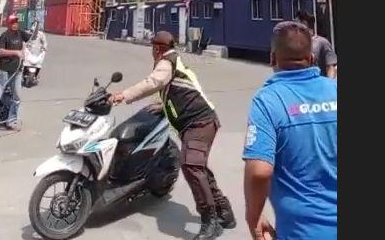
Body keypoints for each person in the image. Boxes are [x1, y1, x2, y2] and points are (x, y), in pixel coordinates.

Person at [109, 31, 235, 240]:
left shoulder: (166, 63)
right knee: (198, 168)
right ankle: (225, 213)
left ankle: (210, 221)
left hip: (199, 123)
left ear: (157, 48)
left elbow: (152, 83)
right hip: (202, 122)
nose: (152, 51)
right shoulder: (176, 62)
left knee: (192, 166)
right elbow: (185, 89)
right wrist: (164, 105)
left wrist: (122, 95)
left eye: (153, 48)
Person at [243, 21, 337, 240]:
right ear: (312, 58)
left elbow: (259, 171)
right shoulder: (335, 88)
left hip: (305, 232)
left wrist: (253, 216)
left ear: (272, 58)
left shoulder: (267, 101)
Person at [0, 14, 27, 134]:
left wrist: (36, 26)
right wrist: (16, 52)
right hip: (4, 71)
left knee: (17, 97)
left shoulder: (20, 33)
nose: (15, 24)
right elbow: (1, 51)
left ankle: (11, 121)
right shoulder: (4, 36)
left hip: (17, 71)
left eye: (16, 22)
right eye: (12, 22)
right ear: (8, 24)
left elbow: (32, 37)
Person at [296, 10, 337, 79]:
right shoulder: (296, 44)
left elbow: (330, 67)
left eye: (296, 24)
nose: (295, 28)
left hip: (319, 83)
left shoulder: (322, 42)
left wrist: (329, 84)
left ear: (304, 24)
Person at [24, 19, 47, 84]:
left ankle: (37, 75)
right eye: (33, 25)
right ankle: (23, 73)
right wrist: (24, 46)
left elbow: (44, 42)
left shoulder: (41, 34)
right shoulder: (27, 33)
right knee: (23, 63)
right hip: (29, 52)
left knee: (38, 64)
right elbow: (23, 41)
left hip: (37, 52)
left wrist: (44, 48)